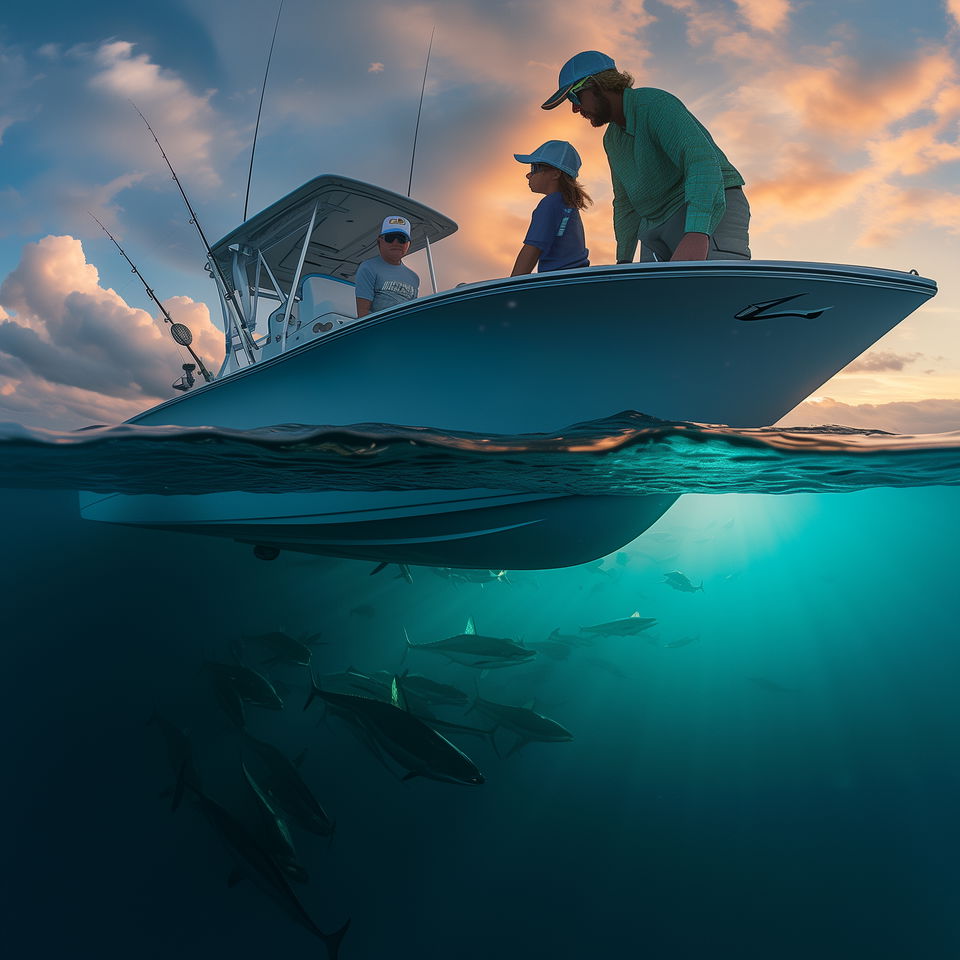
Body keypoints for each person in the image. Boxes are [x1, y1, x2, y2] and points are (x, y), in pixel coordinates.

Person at [542, 50, 750, 265]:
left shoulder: (654, 104)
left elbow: (702, 162)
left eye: (574, 97)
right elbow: (625, 204)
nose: (575, 109)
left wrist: (697, 233)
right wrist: (622, 262)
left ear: (598, 85)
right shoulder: (611, 140)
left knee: (711, 293)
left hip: (708, 205)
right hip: (654, 224)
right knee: (654, 295)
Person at [510, 140, 591, 276]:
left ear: (555, 174)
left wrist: (509, 289)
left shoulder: (550, 203)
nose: (528, 175)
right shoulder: (568, 206)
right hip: (575, 279)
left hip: (559, 282)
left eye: (534, 169)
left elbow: (531, 250)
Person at [355, 216, 420, 317]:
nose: (396, 242)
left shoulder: (414, 278)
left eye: (401, 239)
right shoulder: (367, 267)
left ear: (408, 244)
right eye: (390, 238)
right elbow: (362, 315)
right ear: (379, 241)